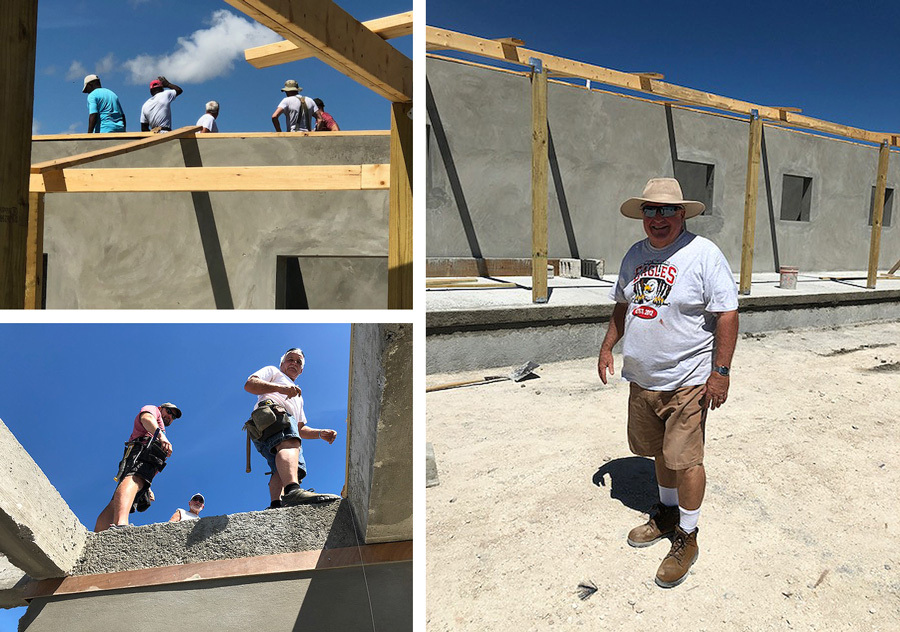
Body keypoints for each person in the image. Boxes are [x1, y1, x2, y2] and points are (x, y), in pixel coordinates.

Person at [597, 177, 738, 589]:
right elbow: (624, 306)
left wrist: (721, 373)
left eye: (666, 211)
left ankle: (687, 537)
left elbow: (727, 314)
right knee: (658, 451)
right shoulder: (634, 256)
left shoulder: (703, 254)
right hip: (643, 380)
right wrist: (608, 347)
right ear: (642, 215)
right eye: (650, 211)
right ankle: (666, 512)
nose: (658, 219)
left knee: (687, 459)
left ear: (681, 213)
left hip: (688, 380)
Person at [244, 348, 340, 508]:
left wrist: (320, 434)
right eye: (290, 359)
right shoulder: (273, 372)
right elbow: (250, 384)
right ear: (282, 363)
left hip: (271, 426)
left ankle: (276, 504)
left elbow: (300, 428)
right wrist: (280, 388)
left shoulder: (298, 397)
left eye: (298, 362)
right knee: (289, 443)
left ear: (301, 370)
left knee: (280, 467)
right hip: (271, 414)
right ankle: (293, 491)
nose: (294, 363)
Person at [94, 402, 183, 531]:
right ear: (161, 408)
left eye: (173, 417)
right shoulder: (154, 411)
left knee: (116, 502)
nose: (170, 417)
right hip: (141, 451)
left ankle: (99, 535)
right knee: (135, 479)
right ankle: (120, 524)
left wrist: (148, 486)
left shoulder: (159, 428)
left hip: (141, 457)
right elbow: (146, 418)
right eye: (169, 412)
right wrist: (161, 436)